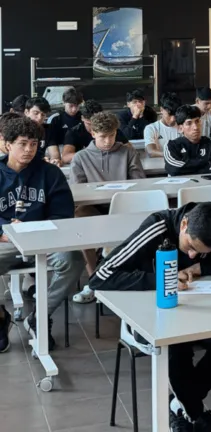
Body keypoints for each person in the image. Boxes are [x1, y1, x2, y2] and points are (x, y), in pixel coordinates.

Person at [90, 202, 211, 432]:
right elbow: (99, 276)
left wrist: (206, 269)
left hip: (201, 311)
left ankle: (179, 407)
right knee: (176, 346)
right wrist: (164, 280)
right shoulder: (157, 227)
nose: (194, 255)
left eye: (204, 253)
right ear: (184, 225)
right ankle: (195, 415)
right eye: (191, 246)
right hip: (151, 317)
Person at [0, 117, 84, 350]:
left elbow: (63, 213)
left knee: (73, 261)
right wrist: (4, 230)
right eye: (22, 144)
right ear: (8, 144)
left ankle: (38, 316)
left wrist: (32, 226)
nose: (29, 150)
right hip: (6, 241)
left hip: (45, 240)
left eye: (34, 144)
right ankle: (0, 318)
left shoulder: (50, 173)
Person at [69, 112, 145, 304]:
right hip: (94, 207)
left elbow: (139, 182)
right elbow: (78, 193)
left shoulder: (127, 152)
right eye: (103, 136)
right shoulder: (81, 157)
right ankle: (95, 278)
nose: (108, 140)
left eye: (112, 135)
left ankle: (125, 273)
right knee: (80, 220)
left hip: (124, 206)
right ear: (93, 133)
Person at [164, 105, 211, 176]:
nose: (196, 127)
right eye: (189, 123)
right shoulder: (171, 146)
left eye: (197, 121)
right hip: (180, 186)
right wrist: (204, 163)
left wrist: (188, 166)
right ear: (180, 128)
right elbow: (175, 169)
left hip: (207, 185)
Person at [62, 100, 129, 164]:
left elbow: (129, 149)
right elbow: (66, 157)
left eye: (97, 124)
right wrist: (93, 154)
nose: (93, 128)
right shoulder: (73, 132)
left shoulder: (111, 130)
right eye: (89, 124)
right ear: (82, 118)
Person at [46, 87, 83, 162]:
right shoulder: (56, 119)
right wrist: (55, 158)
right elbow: (52, 141)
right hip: (59, 152)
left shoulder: (84, 119)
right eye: (71, 106)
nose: (74, 109)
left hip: (79, 153)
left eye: (77, 106)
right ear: (64, 102)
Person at [144, 92, 183, 158]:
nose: (173, 119)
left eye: (175, 115)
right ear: (161, 110)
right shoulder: (151, 128)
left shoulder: (183, 127)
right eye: (169, 115)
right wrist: (171, 155)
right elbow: (151, 152)